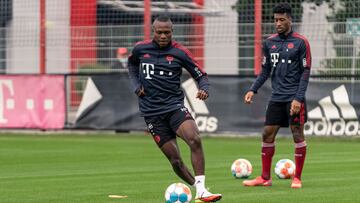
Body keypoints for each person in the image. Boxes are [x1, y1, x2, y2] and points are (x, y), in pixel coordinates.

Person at [127, 15, 222, 202]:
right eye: (159, 32)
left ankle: (202, 190)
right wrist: (136, 85)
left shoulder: (180, 53)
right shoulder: (140, 49)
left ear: (172, 31)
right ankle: (198, 189)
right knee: (176, 161)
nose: (163, 36)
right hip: (151, 113)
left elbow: (200, 75)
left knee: (194, 139)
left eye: (167, 32)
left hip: (174, 107)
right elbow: (131, 64)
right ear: (153, 31)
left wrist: (204, 88)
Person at [243, 3, 311, 189]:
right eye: (275, 20)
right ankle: (265, 177)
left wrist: (298, 98)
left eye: (282, 20)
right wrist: (253, 89)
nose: (278, 23)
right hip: (277, 97)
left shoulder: (301, 42)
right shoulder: (269, 42)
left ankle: (297, 178)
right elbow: (265, 71)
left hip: (294, 97)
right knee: (267, 133)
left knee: (297, 133)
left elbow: (306, 72)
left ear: (290, 19)